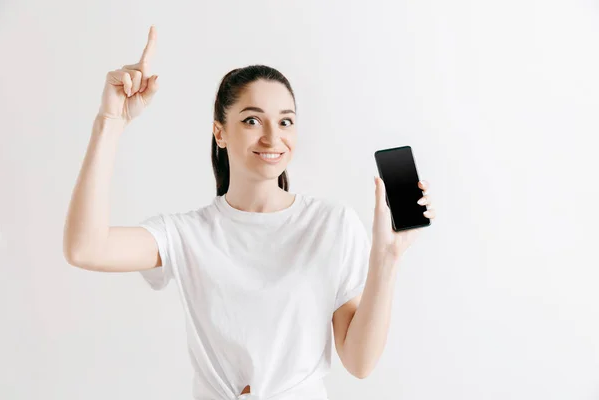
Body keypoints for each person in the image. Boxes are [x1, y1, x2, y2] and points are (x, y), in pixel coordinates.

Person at [63, 25, 436, 400]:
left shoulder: (331, 224)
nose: (273, 138)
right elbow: (85, 248)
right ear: (220, 133)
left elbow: (359, 362)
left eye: (285, 121)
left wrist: (386, 260)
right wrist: (110, 121)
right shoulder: (187, 234)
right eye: (252, 120)